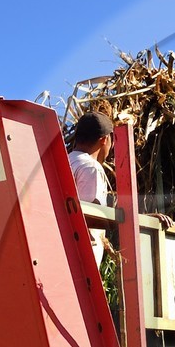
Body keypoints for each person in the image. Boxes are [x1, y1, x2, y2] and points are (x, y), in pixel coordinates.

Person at [66, 111, 114, 264]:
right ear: (104, 140)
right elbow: (92, 214)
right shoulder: (91, 167)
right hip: (81, 261)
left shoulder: (65, 161)